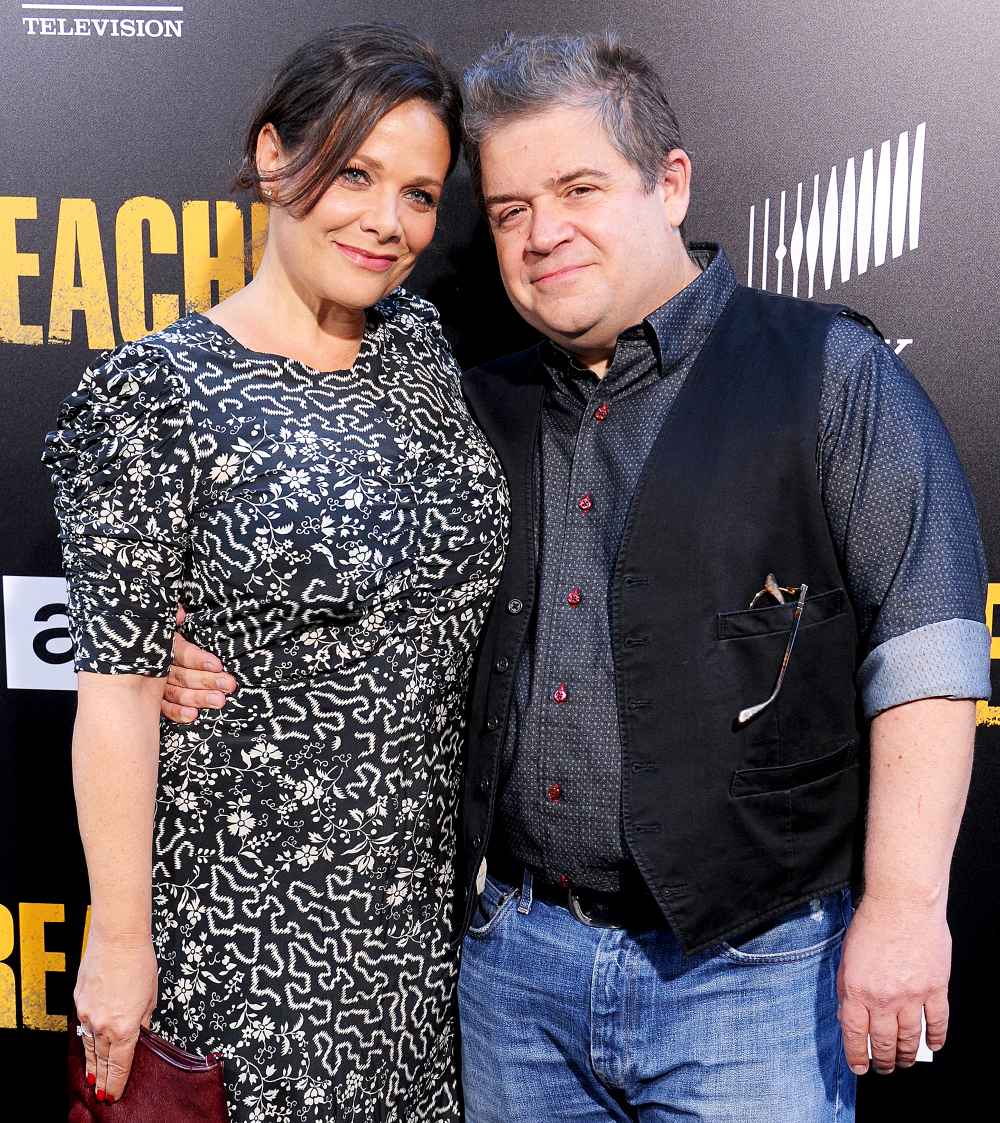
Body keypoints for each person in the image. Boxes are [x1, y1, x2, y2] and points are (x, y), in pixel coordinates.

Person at [164, 30, 992, 1123]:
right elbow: (332, 556)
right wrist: (196, 636)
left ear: (670, 182)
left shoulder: (827, 372)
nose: (543, 233)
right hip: (513, 977)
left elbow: (927, 642)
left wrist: (903, 907)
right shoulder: (466, 404)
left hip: (749, 982)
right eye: (509, 210)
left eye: (580, 188)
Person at [42, 24, 508, 1122]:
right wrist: (118, 945)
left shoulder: (423, 351)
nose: (387, 221)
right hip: (245, 928)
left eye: (420, 193)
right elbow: (112, 696)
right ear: (271, 157)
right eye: (354, 172)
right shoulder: (152, 397)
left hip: (416, 946)